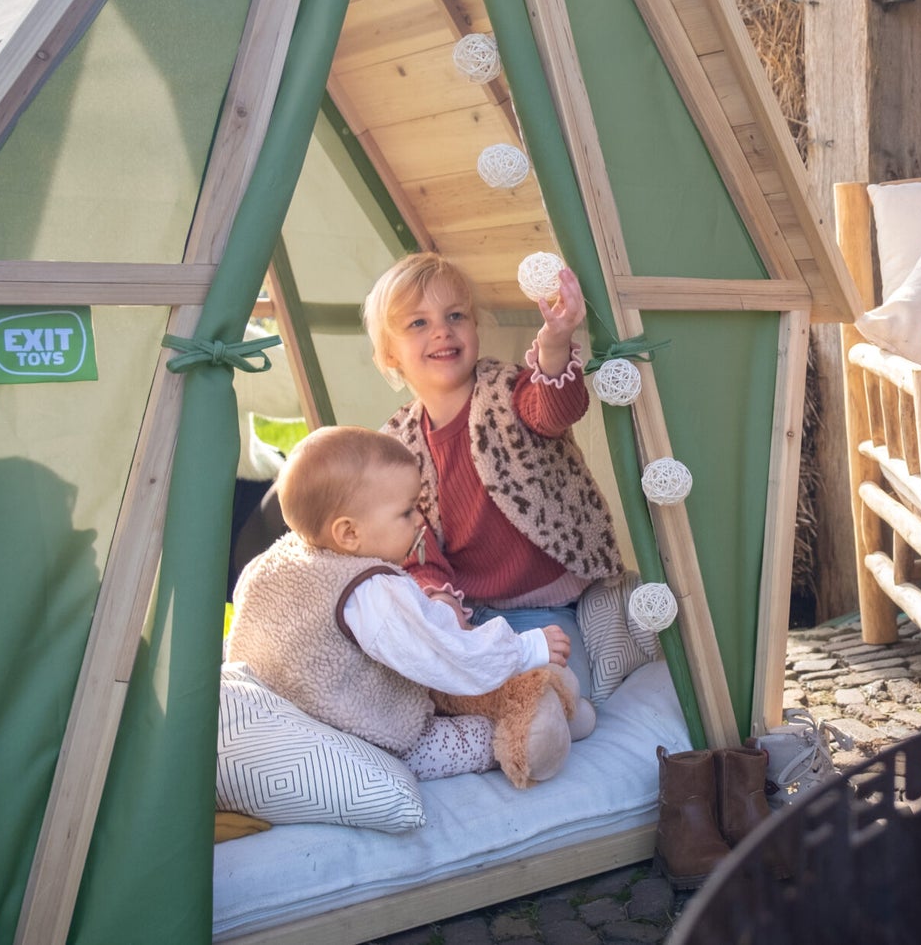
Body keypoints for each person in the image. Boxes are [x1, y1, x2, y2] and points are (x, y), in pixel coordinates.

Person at [227, 425, 583, 782]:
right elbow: (443, 655)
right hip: (363, 738)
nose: (419, 520)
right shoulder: (371, 591)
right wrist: (525, 648)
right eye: (407, 512)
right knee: (473, 735)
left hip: (288, 725)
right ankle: (541, 730)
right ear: (349, 533)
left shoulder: (271, 563)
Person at [364, 252, 625, 700]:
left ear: (475, 327)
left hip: (545, 602)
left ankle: (548, 710)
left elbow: (555, 410)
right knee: (440, 687)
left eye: (455, 315)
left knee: (560, 688)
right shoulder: (399, 445)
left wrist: (556, 345)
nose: (442, 330)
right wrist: (439, 600)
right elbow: (413, 544)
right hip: (471, 608)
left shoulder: (507, 390)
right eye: (418, 324)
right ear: (390, 353)